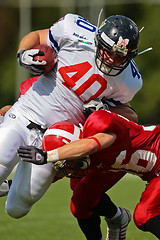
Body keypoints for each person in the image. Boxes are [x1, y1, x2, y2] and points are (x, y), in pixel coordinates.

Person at [0, 13, 142, 220]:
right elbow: (37, 36)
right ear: (98, 40)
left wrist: (104, 109)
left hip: (55, 139)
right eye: (109, 50)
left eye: (121, 56)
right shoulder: (75, 32)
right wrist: (23, 53)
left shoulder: (129, 80)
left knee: (16, 208)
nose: (112, 59)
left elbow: (131, 116)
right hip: (25, 115)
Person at [18, 109, 160, 239]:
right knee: (80, 202)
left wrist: (47, 156)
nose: (67, 168)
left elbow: (91, 145)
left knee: (146, 214)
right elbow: (54, 176)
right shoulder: (85, 156)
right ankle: (116, 219)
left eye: (66, 161)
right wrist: (16, 186)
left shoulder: (97, 125)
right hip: (137, 168)